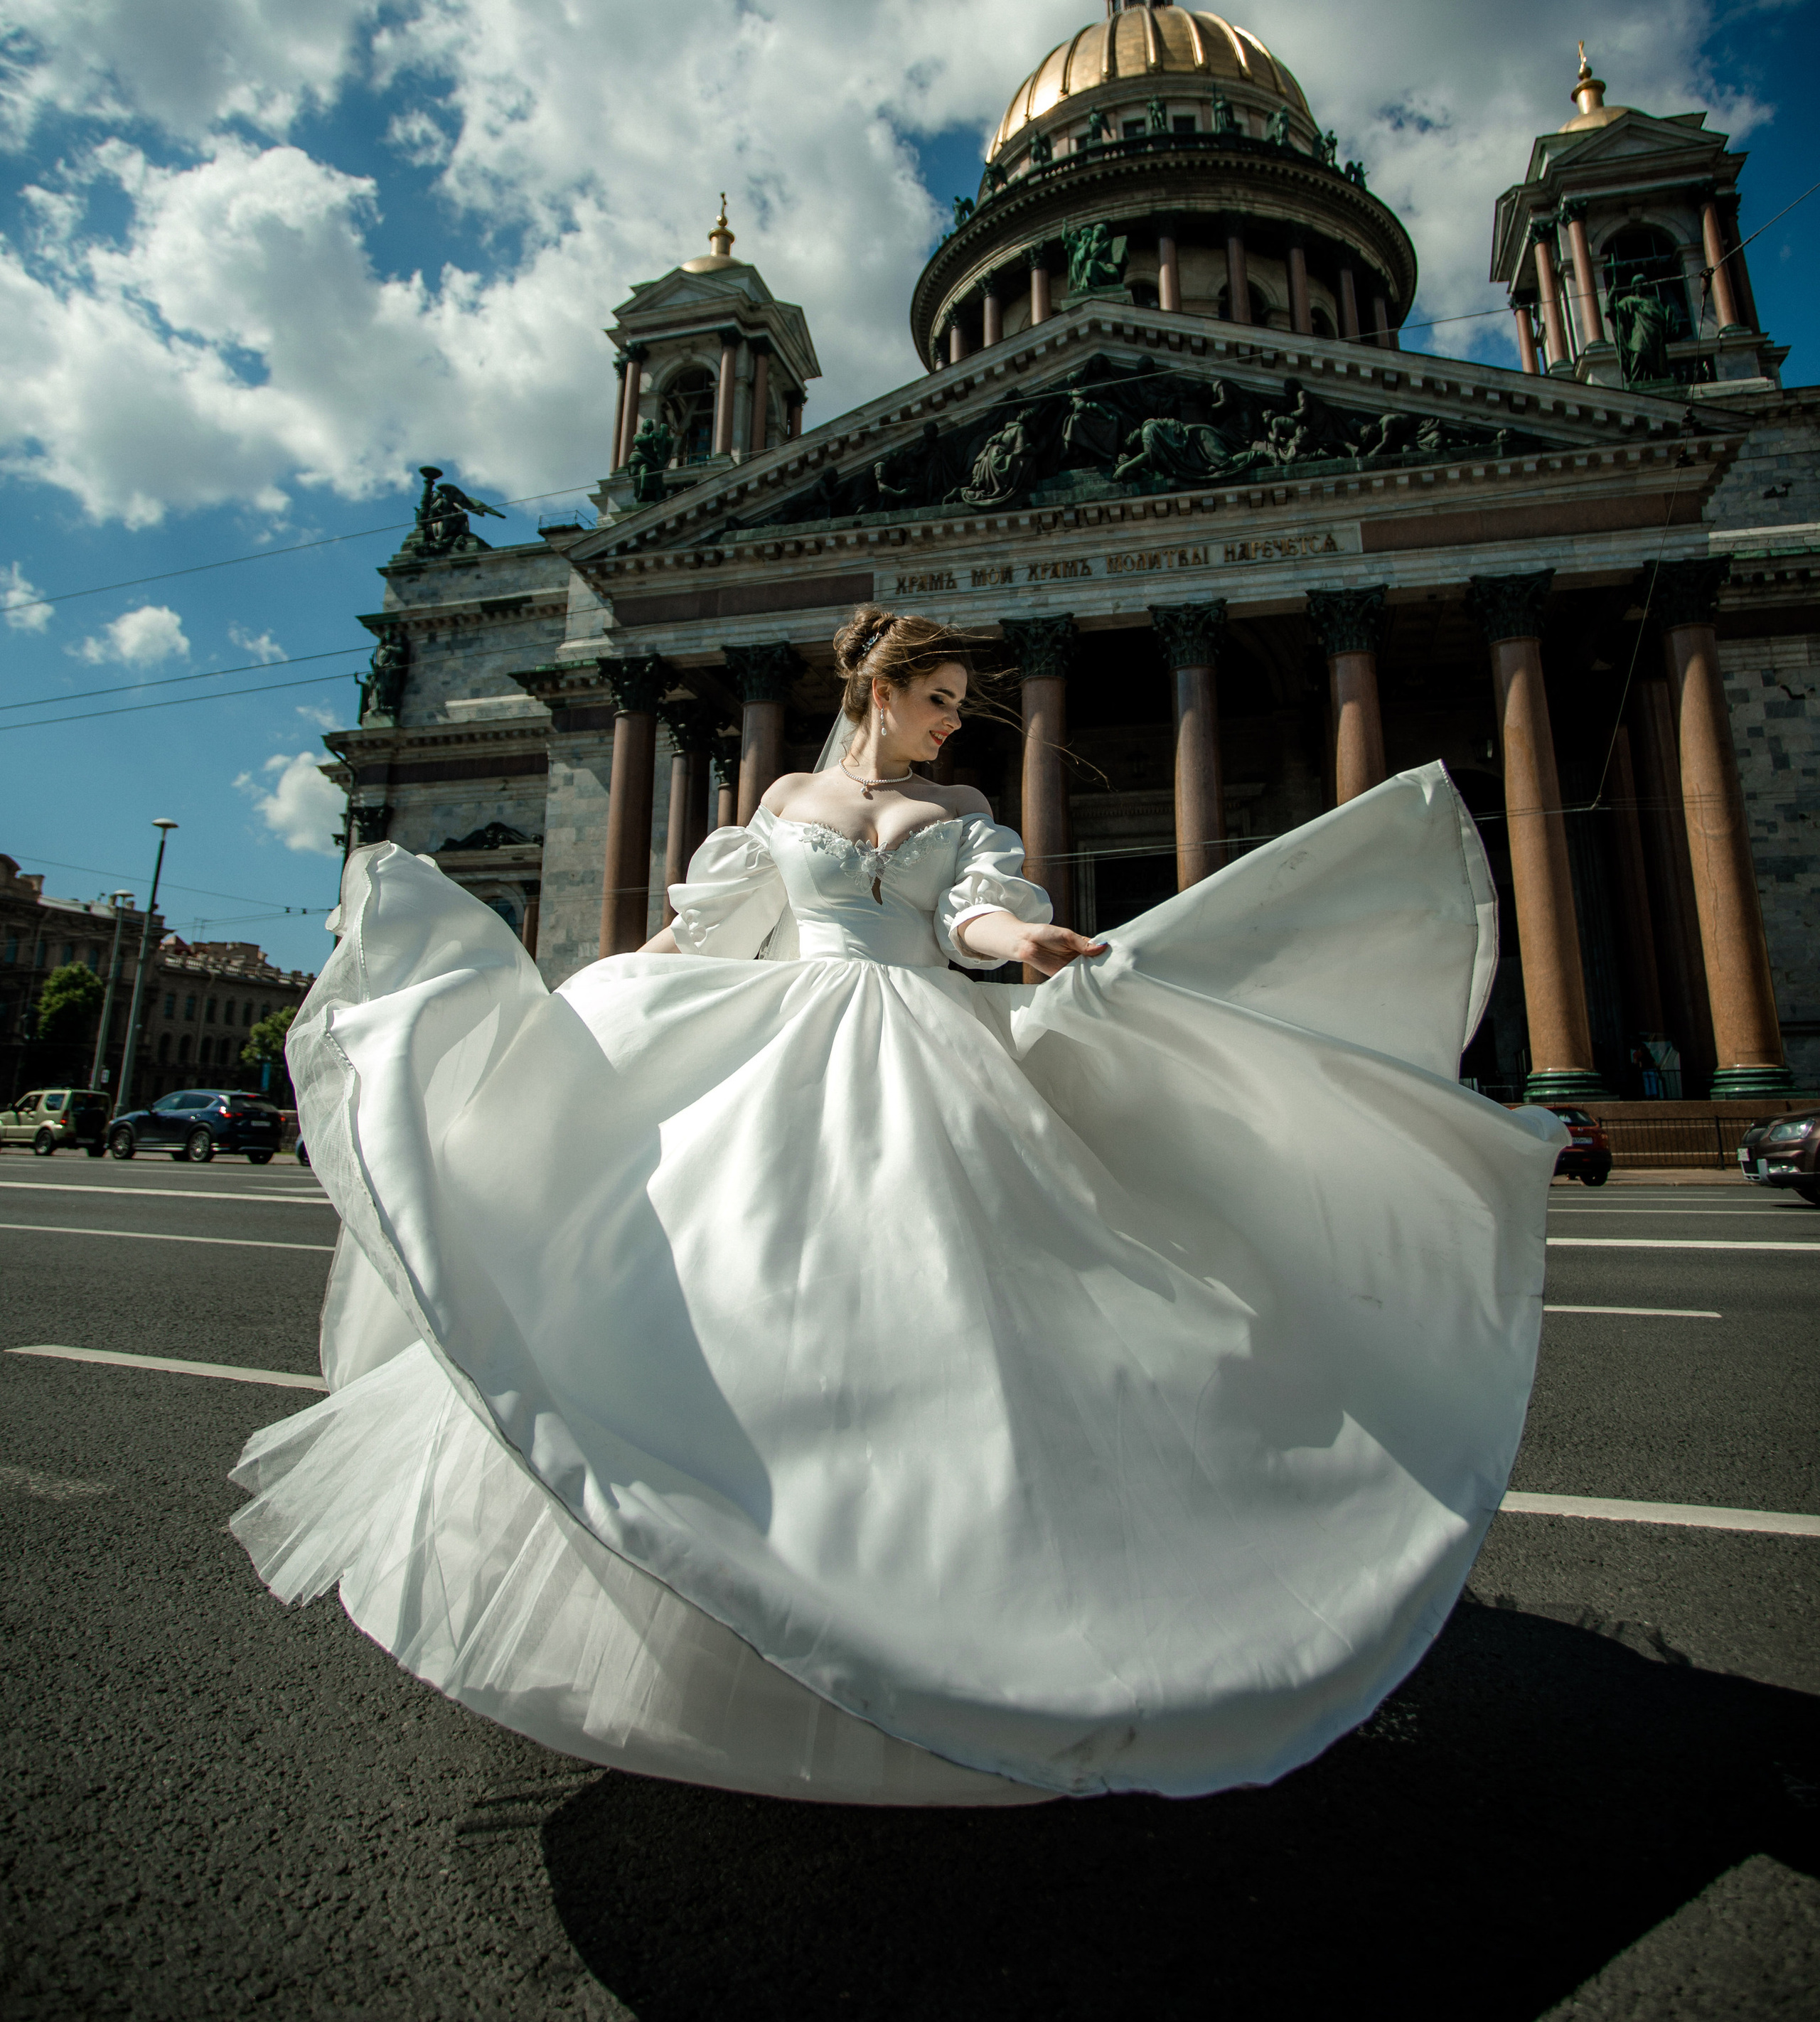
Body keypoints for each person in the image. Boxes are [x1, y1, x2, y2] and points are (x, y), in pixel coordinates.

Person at [232, 606, 1556, 1807]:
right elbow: (709, 935)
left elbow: (977, 920)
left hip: (928, 1058)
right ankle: (739, 1627)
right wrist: (589, 995)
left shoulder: (971, 807)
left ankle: (946, 1613)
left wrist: (1023, 942)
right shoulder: (784, 800)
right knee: (731, 1307)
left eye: (960, 706)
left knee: (956, 1332)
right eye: (938, 700)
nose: (951, 722)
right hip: (785, 1052)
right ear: (881, 689)